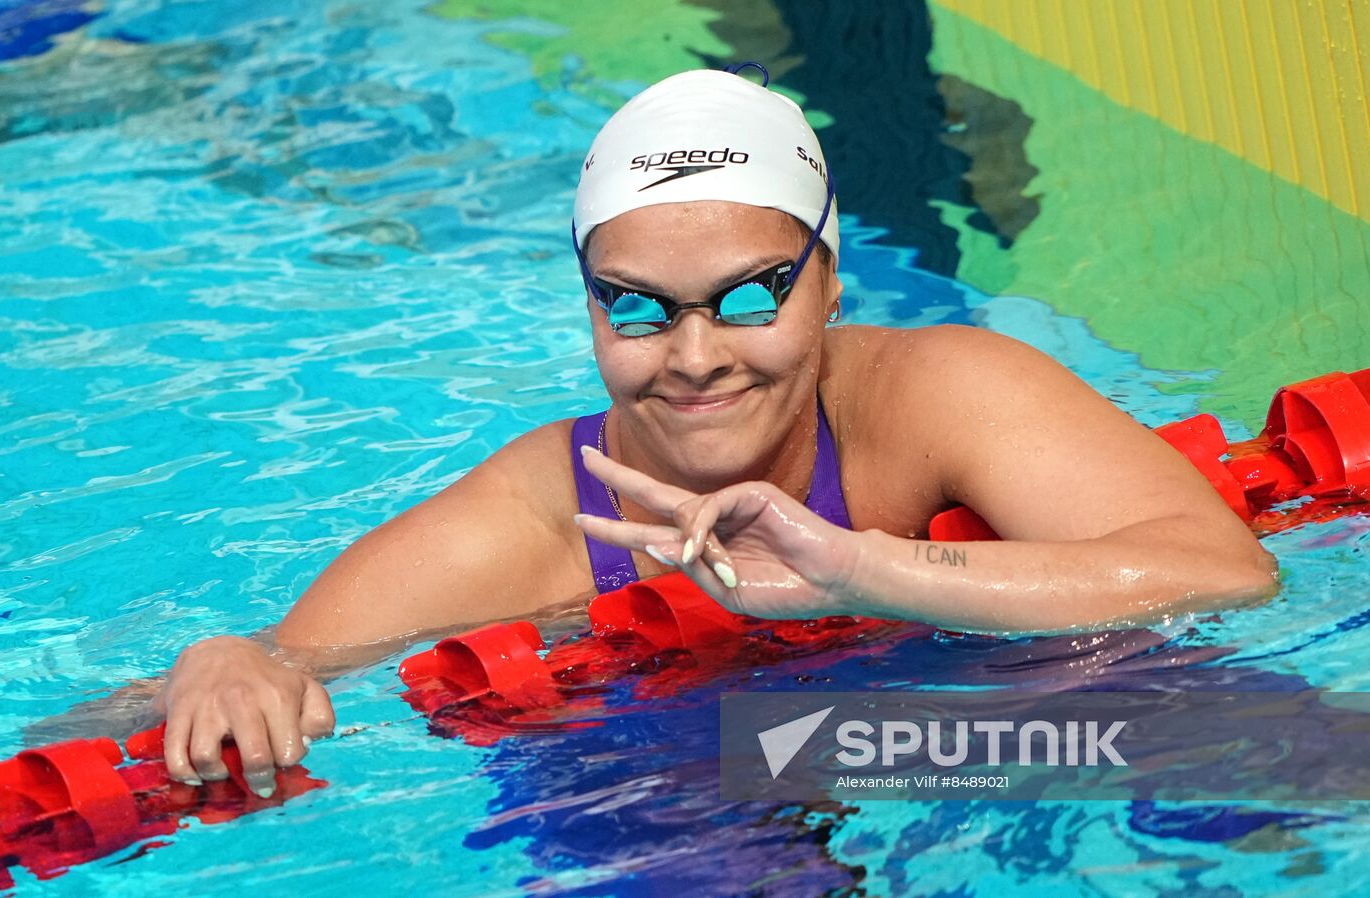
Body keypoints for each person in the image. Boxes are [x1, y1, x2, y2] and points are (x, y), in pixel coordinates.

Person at [151, 66, 1278, 797]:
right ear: (588, 304)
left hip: (953, 724)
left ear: (829, 281)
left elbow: (1219, 568)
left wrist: (862, 570)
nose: (696, 357)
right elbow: (246, 686)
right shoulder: (536, 518)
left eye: (750, 296)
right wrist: (221, 659)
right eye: (634, 305)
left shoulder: (935, 396)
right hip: (657, 764)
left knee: (1252, 749)